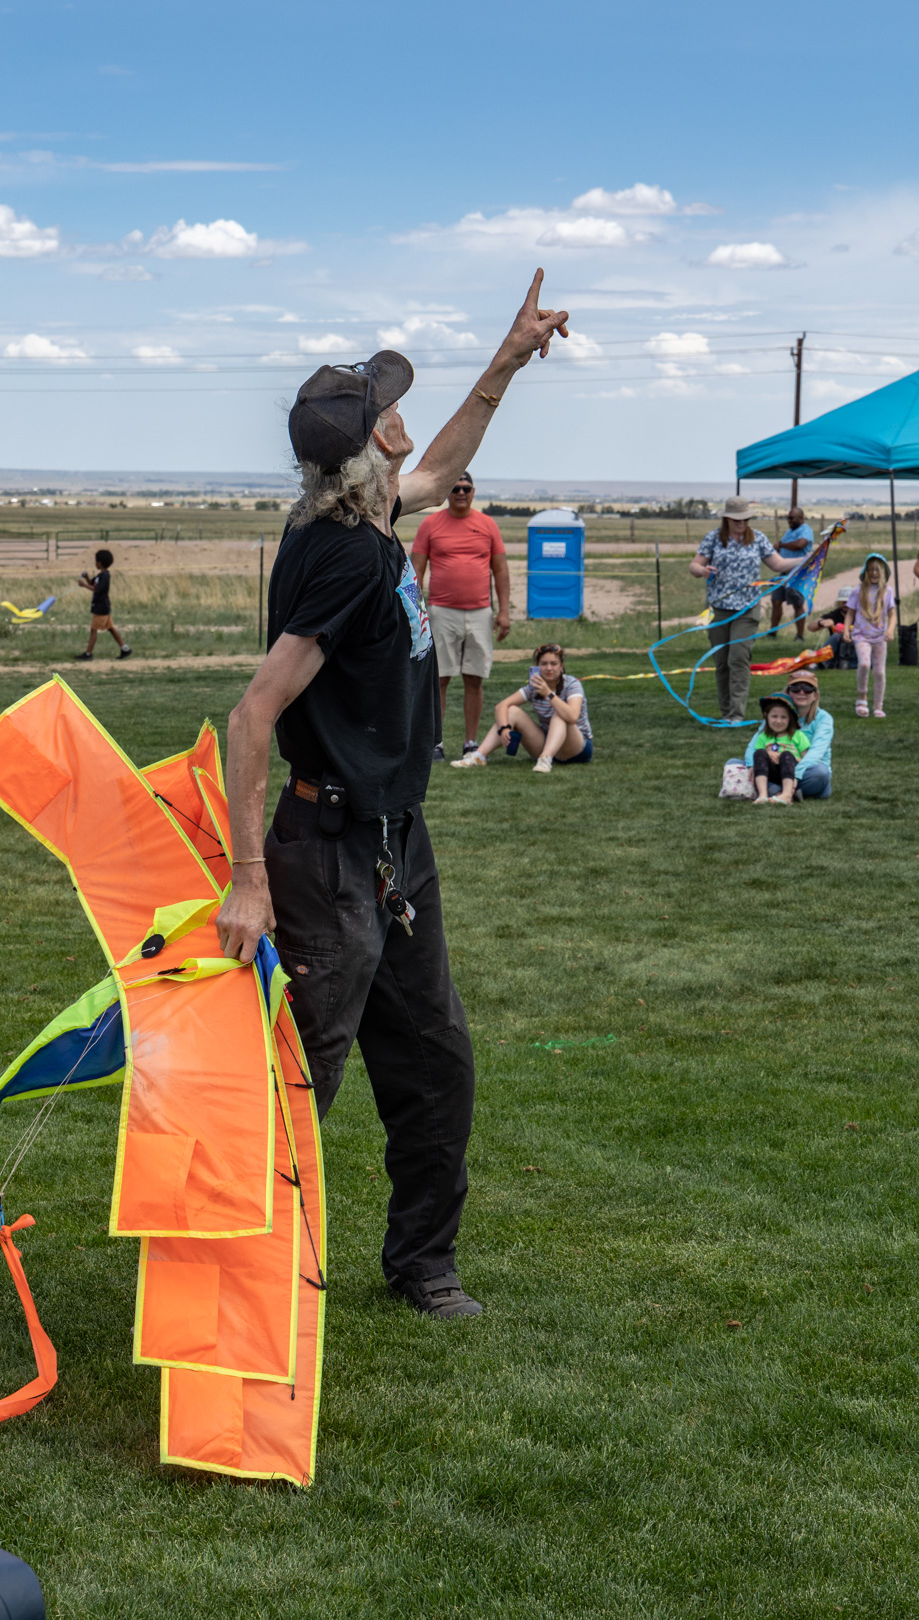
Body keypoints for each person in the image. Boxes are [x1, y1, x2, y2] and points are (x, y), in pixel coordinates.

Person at [214, 271, 570, 1320]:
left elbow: (450, 459)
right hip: (324, 855)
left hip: (391, 843)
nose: (403, 417)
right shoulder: (345, 561)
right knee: (298, 1079)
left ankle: (422, 1265)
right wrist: (248, 883)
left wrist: (506, 359)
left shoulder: (365, 515)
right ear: (370, 449)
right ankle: (236, 1287)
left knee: (435, 1060)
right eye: (387, 408)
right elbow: (251, 717)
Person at [411, 471, 510, 760]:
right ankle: (435, 743)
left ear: (474, 491)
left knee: (474, 678)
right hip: (441, 612)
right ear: (447, 492)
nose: (461, 492)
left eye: (466, 487)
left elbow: (500, 570)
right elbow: (416, 571)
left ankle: (471, 742)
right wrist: (417, 614)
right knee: (439, 679)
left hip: (480, 612)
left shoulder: (488, 525)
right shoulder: (430, 524)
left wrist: (504, 612)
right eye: (455, 487)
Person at [689, 497, 805, 722]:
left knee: (738, 658)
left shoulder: (758, 539)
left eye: (745, 518)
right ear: (727, 519)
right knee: (721, 662)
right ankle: (725, 712)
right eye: (737, 519)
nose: (742, 523)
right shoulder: (713, 538)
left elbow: (778, 564)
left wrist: (806, 559)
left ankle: (736, 714)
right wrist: (702, 570)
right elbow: (694, 565)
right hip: (718, 610)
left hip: (747, 609)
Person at [450, 642, 591, 773]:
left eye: (554, 664)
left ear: (561, 666)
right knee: (511, 711)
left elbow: (572, 717)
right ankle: (479, 756)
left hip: (578, 747)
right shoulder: (535, 686)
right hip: (548, 741)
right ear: (537, 666)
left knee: (560, 713)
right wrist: (504, 728)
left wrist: (548, 694)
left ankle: (545, 759)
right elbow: (501, 706)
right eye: (544, 664)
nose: (549, 668)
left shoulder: (571, 684)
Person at [844, 552, 896, 718]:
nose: (874, 573)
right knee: (865, 664)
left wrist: (890, 630)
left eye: (877, 570)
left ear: (883, 572)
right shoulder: (857, 591)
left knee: (880, 672)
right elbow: (850, 613)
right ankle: (862, 698)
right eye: (871, 569)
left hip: (880, 637)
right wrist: (847, 630)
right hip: (861, 636)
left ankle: (878, 706)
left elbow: (892, 615)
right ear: (865, 571)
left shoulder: (888, 591)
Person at [749, 692, 809, 806]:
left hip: (791, 772)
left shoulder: (798, 736)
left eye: (783, 717)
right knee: (759, 753)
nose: (778, 721)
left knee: (786, 755)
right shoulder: (763, 737)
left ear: (790, 719)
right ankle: (763, 795)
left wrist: (789, 757)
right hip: (772, 772)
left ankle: (786, 794)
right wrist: (768, 753)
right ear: (767, 717)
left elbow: (806, 759)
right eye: (774, 716)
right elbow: (759, 759)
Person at [75, 549, 132, 661]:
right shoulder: (100, 575)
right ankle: (125, 649)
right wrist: (86, 578)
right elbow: (93, 583)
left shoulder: (105, 576)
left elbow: (97, 589)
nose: (95, 563)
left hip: (101, 608)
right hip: (102, 607)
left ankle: (88, 654)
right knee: (110, 628)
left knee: (93, 630)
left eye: (96, 561)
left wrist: (83, 586)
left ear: (100, 563)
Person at [768, 505, 815, 639]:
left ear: (800, 518)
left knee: (797, 603)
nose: (789, 521)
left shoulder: (805, 530)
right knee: (776, 601)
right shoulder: (789, 531)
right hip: (784, 572)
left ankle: (799, 635)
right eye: (788, 518)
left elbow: (800, 545)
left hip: (797, 573)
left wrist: (781, 545)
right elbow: (784, 545)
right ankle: (773, 632)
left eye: (792, 518)